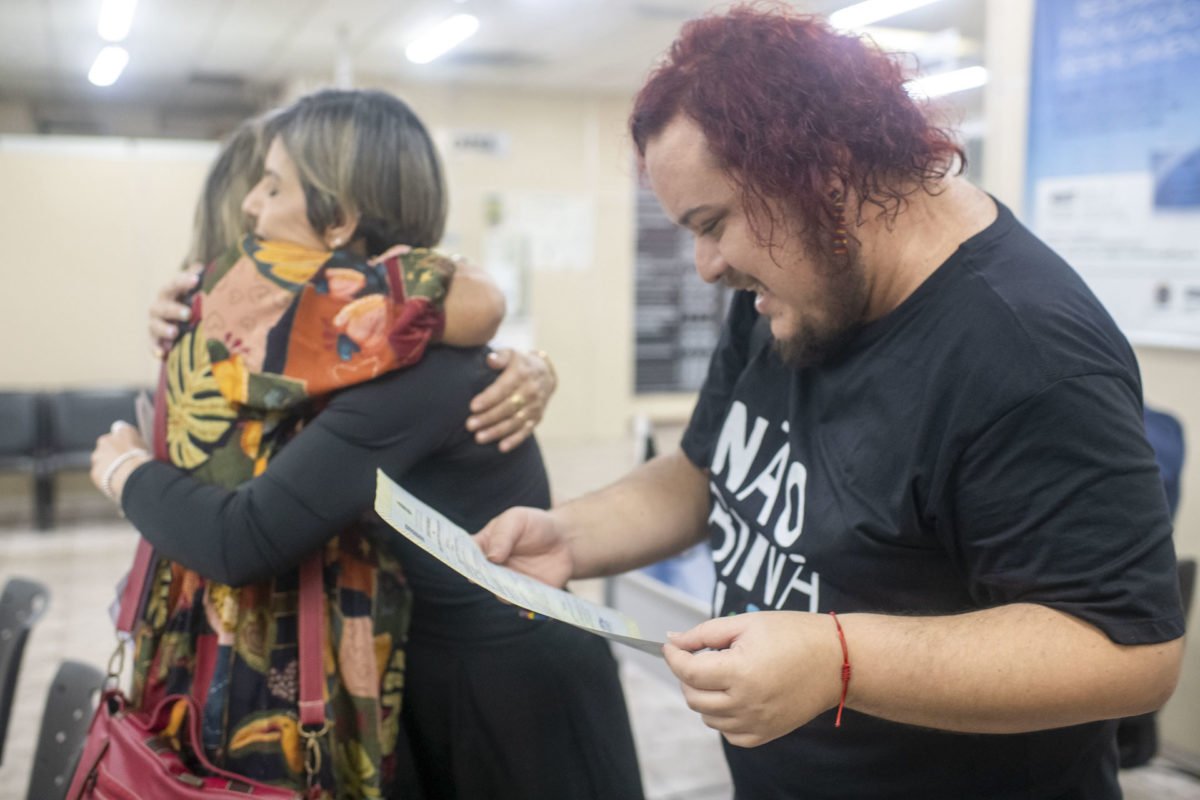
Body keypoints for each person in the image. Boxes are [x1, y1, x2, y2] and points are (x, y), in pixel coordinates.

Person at [476, 7, 1186, 799]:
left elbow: (1129, 653)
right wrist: (572, 536)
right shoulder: (785, 286)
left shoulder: (1028, 354)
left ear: (824, 176)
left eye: (714, 224)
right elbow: (705, 470)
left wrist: (840, 661)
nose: (706, 267)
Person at [93, 88, 644, 800]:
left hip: (508, 692)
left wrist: (123, 468)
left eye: (271, 188)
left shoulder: (415, 367)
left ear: (339, 221)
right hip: (433, 668)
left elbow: (244, 537)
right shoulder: (357, 351)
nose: (253, 218)